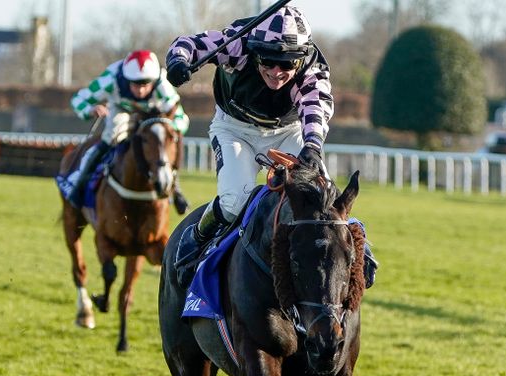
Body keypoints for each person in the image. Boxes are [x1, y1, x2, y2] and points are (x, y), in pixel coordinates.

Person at [166, 6, 377, 286]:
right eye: (268, 60)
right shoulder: (238, 43)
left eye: (288, 64)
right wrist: (178, 61)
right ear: (255, 52)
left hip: (287, 132)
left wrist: (312, 146)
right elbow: (189, 44)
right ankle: (196, 239)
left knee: (322, 194)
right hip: (234, 129)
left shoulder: (312, 68)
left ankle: (356, 242)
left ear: (300, 59)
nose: (277, 72)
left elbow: (315, 108)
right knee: (233, 202)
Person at [67, 49, 191, 212]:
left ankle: (176, 190)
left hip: (153, 114)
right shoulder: (110, 79)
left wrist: (170, 128)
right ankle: (79, 186)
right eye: (135, 84)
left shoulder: (163, 84)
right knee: (112, 135)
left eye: (145, 84)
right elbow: (78, 99)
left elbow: (182, 119)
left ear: (154, 81)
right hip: (121, 109)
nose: (140, 90)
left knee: (164, 140)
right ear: (126, 78)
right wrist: (90, 110)